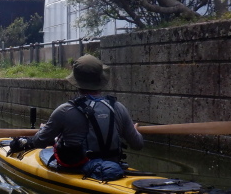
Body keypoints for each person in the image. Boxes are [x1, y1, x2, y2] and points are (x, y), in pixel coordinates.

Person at [8, 54, 143, 175]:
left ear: (76, 82)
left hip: (76, 169)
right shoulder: (118, 108)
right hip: (112, 167)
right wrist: (134, 131)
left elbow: (39, 142)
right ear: (101, 80)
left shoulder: (64, 111)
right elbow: (138, 144)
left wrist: (43, 129)